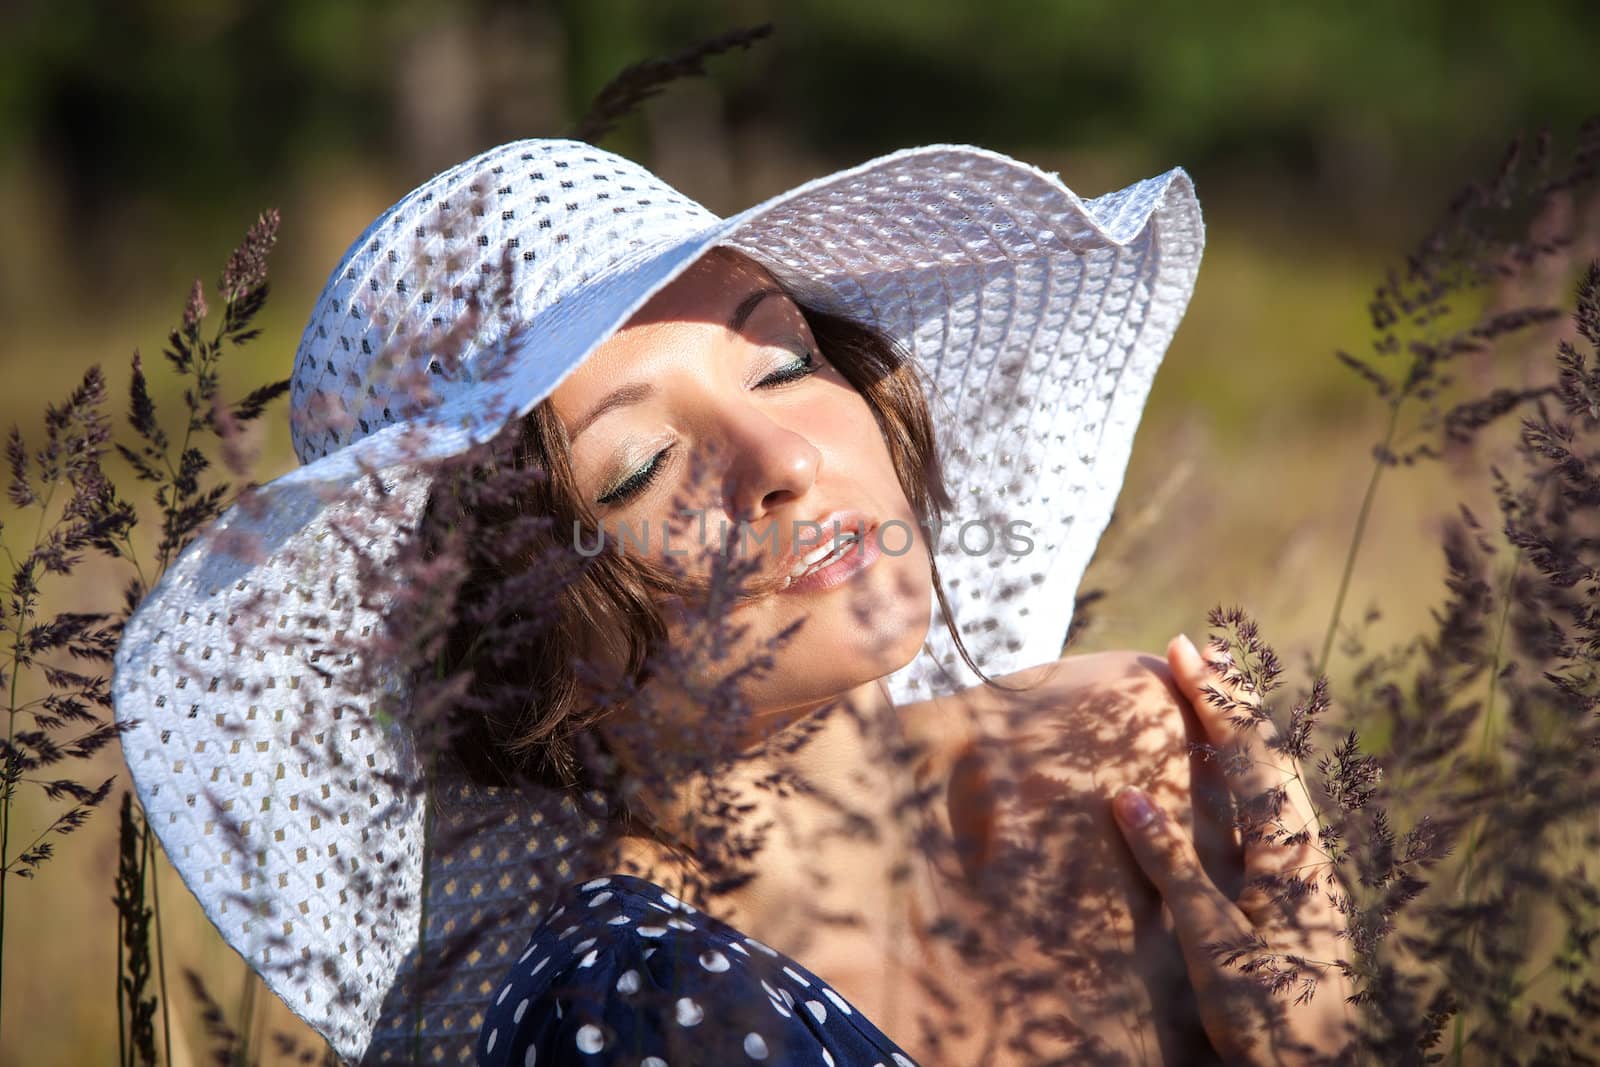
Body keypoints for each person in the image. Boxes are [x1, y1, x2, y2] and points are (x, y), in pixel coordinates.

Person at [113, 138, 1352, 1066]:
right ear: (503, 642)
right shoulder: (632, 997)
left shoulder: (1127, 746)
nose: (787, 460)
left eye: (783, 360)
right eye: (640, 465)